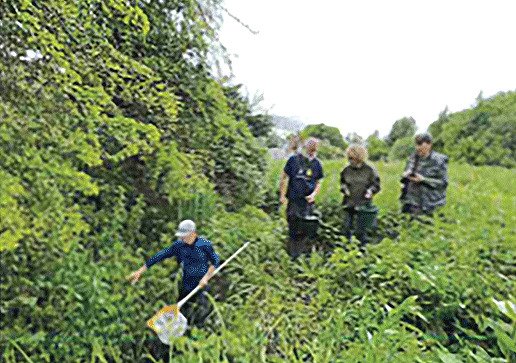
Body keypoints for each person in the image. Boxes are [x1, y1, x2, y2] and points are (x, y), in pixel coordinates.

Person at [127, 219, 220, 327]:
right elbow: (160, 255)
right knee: (182, 314)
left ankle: (201, 335)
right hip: (186, 285)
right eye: (182, 236)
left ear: (193, 234)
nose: (182, 238)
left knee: (201, 315)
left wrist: (206, 278)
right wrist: (140, 271)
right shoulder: (179, 246)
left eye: (185, 236)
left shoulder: (204, 245)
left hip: (202, 285)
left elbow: (215, 261)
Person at [279, 137, 324, 258]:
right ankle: (291, 254)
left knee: (305, 228)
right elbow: (284, 177)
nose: (311, 153)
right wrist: (282, 196)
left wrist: (313, 194)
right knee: (293, 225)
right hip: (294, 199)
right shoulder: (294, 160)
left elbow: (319, 182)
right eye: (310, 150)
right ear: (305, 147)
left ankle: (301, 255)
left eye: (314, 151)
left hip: (307, 202)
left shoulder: (317, 164)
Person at [340, 144, 381, 246]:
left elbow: (376, 185)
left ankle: (362, 249)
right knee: (346, 228)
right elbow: (342, 183)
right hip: (349, 203)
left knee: (361, 230)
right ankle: (346, 248)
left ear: (359, 158)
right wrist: (344, 189)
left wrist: (370, 191)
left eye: (353, 158)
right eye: (349, 158)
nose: (351, 161)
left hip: (363, 204)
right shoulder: (346, 170)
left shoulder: (369, 170)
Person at [400, 133, 449, 216]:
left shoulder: (439, 160)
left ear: (429, 144)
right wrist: (405, 175)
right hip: (410, 202)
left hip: (430, 204)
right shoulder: (412, 158)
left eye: (420, 144)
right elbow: (404, 177)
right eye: (416, 144)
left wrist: (424, 180)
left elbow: (443, 183)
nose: (417, 148)